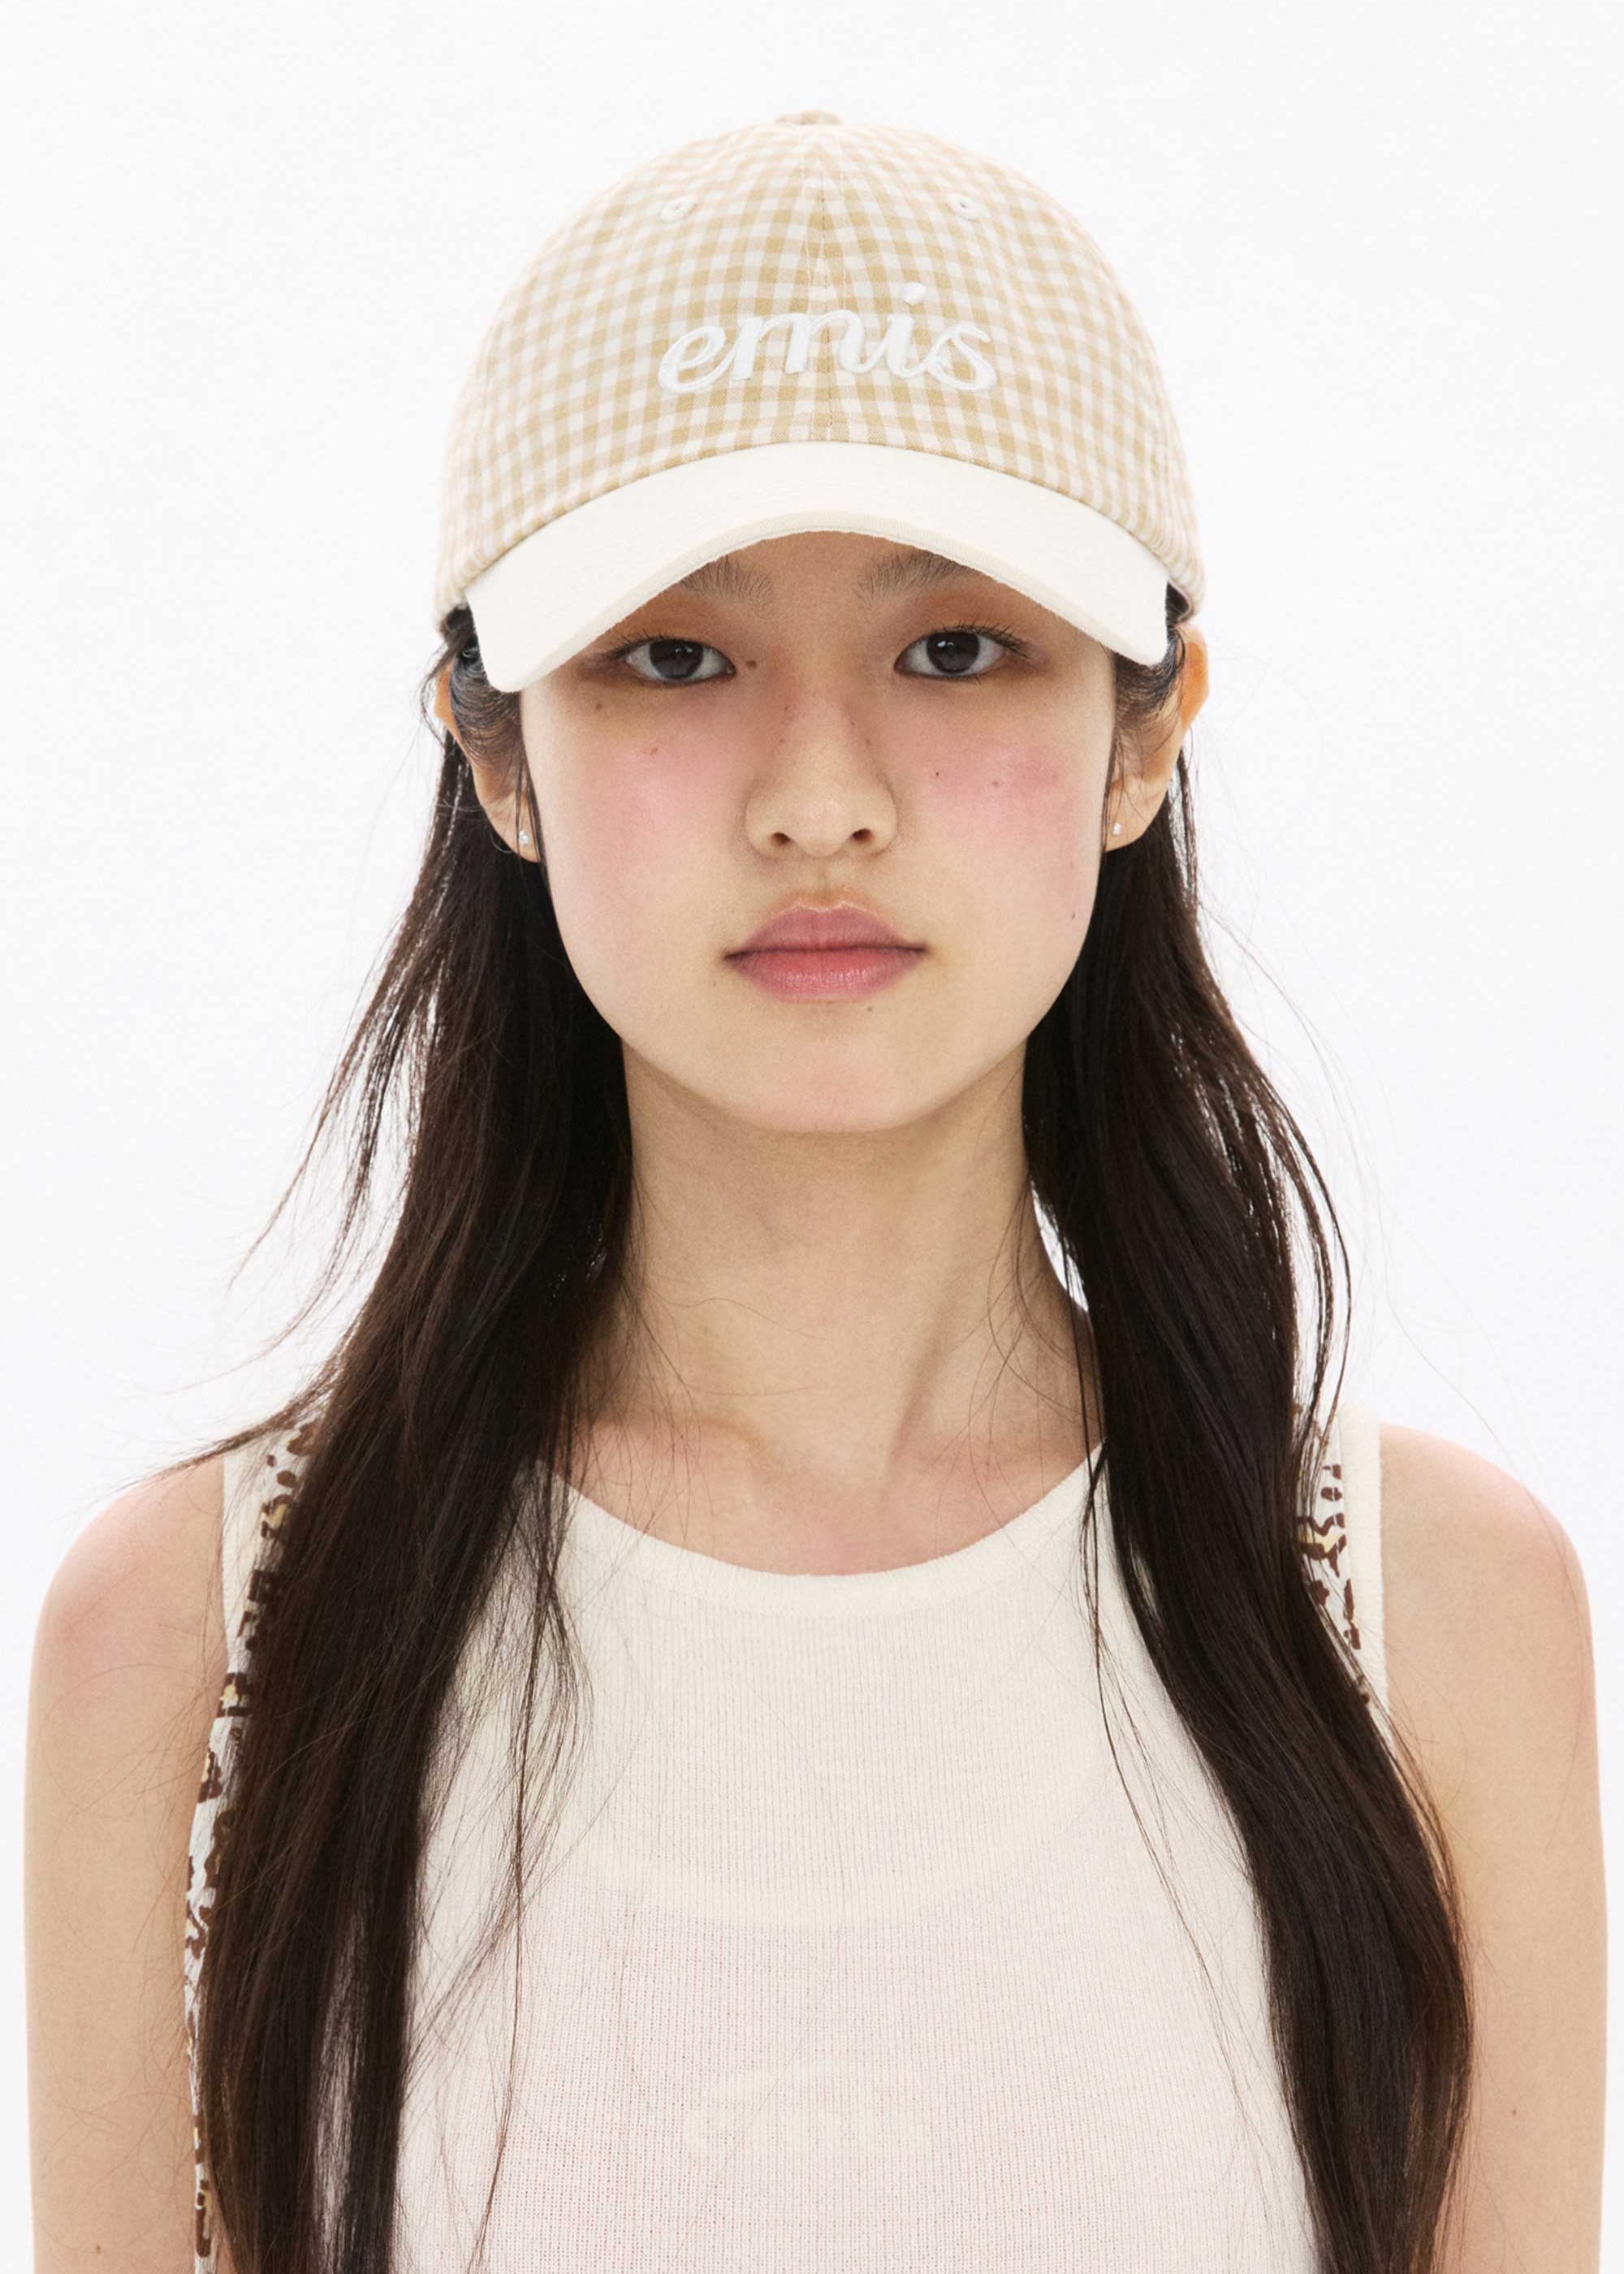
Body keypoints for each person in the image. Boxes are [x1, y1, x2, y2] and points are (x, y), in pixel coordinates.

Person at [25, 110, 1603, 2274]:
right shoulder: (203, 1645)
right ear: (493, 751)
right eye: (676, 656)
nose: (822, 798)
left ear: (1149, 731)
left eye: (956, 648)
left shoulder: (1431, 1630)